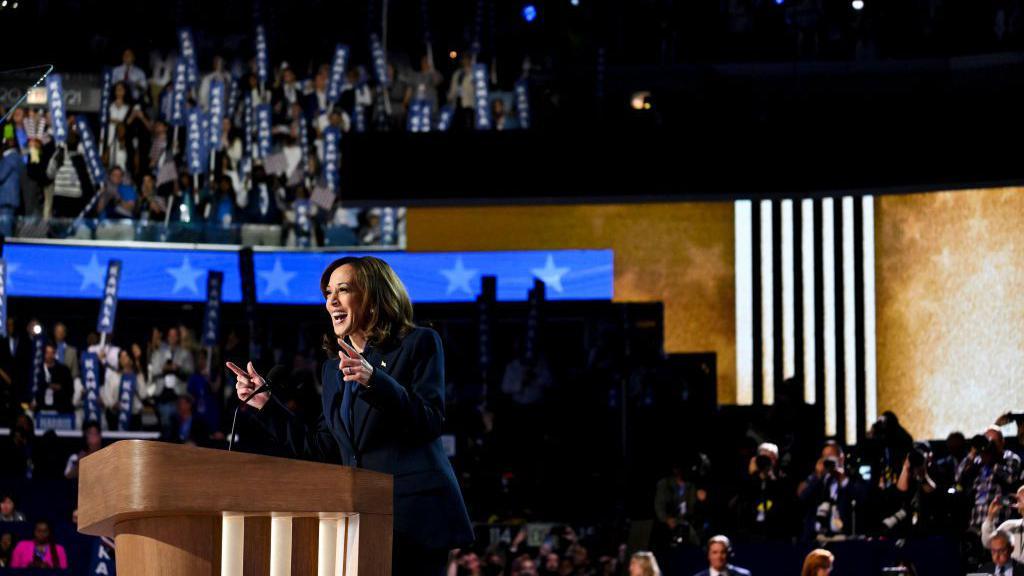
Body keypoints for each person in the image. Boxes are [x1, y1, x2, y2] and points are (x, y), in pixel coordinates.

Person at [229, 255, 474, 575]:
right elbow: (325, 447)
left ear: (373, 299)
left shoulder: (419, 343)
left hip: (414, 521)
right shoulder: (334, 369)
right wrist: (265, 405)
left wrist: (375, 381)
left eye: (342, 290)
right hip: (360, 520)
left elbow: (429, 421)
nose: (331, 301)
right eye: (327, 293)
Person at [983, 485, 1024, 565]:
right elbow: (987, 543)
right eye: (1017, 496)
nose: (1017, 497)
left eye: (1022, 494)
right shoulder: (1009, 525)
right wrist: (990, 518)